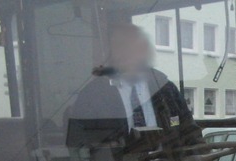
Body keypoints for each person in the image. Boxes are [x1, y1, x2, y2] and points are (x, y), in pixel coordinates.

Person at [71, 22, 203, 151]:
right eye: (122, 46)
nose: (130, 53)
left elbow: (191, 135)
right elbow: (79, 147)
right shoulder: (92, 96)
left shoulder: (166, 89)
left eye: (136, 46)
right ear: (111, 52)